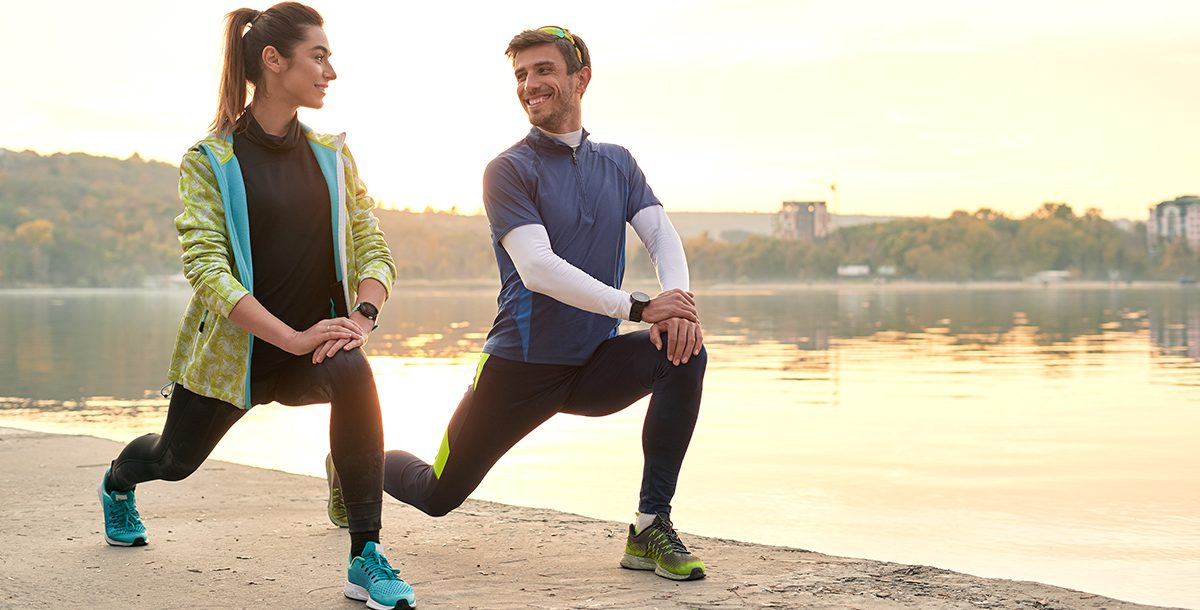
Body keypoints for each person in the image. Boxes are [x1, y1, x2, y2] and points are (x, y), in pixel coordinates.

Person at [327, 25, 709, 582]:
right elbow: (538, 268)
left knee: (684, 353)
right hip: (518, 368)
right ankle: (349, 463)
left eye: (544, 70)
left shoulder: (618, 163)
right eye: (522, 75)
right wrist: (641, 308)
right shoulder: (508, 169)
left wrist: (677, 310)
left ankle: (650, 525)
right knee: (437, 495)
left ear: (582, 79)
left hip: (593, 364)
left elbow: (661, 236)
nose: (530, 85)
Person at [95, 4, 414, 608]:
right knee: (173, 460)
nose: (331, 71)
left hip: (312, 348)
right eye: (318, 56)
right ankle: (117, 483)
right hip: (233, 358)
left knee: (354, 372)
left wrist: (362, 318)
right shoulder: (209, 160)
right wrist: (289, 338)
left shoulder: (332, 156)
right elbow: (207, 270)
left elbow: (373, 245)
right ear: (273, 60)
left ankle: (365, 556)